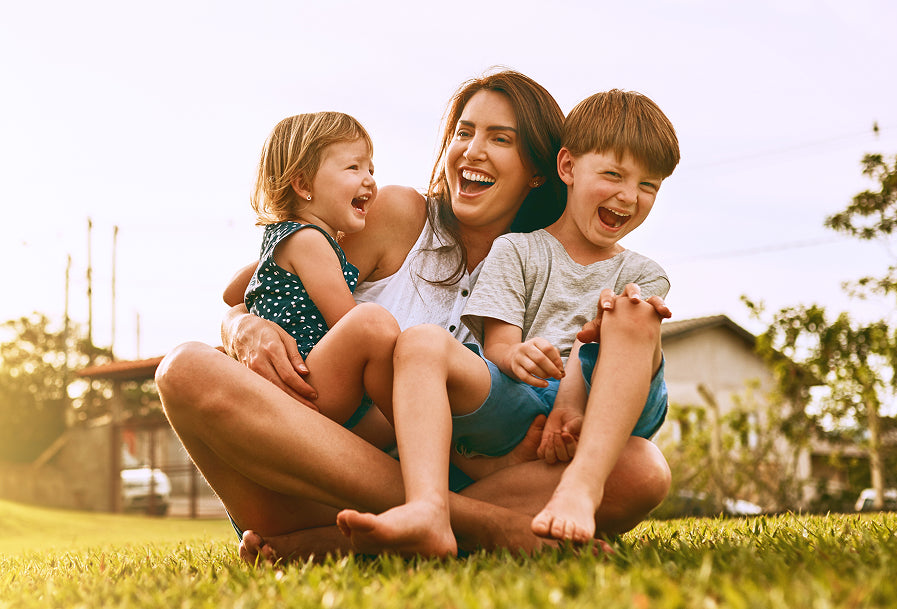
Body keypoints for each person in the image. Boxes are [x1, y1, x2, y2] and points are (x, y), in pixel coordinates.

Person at [155, 69, 672, 562]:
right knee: (184, 368)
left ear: (540, 171)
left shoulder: (554, 267)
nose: (472, 150)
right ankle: (478, 525)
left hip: (471, 481)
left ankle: (355, 537)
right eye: (463, 132)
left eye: (500, 138)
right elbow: (274, 276)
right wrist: (243, 326)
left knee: (641, 469)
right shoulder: (397, 215)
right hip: (308, 475)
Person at [335, 90, 679, 555]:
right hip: (526, 398)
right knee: (420, 342)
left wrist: (573, 405)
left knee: (631, 314)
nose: (627, 195)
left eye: (648, 186)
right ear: (567, 168)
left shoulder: (642, 273)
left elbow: (601, 350)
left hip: (607, 406)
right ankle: (428, 509)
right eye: (614, 175)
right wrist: (515, 354)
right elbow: (497, 344)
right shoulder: (516, 250)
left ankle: (580, 487)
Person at [241, 112, 398, 436]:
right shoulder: (310, 240)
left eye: (371, 168)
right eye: (354, 167)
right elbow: (346, 320)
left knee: (416, 417)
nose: (369, 179)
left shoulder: (282, 236)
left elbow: (233, 292)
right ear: (303, 184)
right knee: (372, 323)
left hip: (305, 386)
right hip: (307, 384)